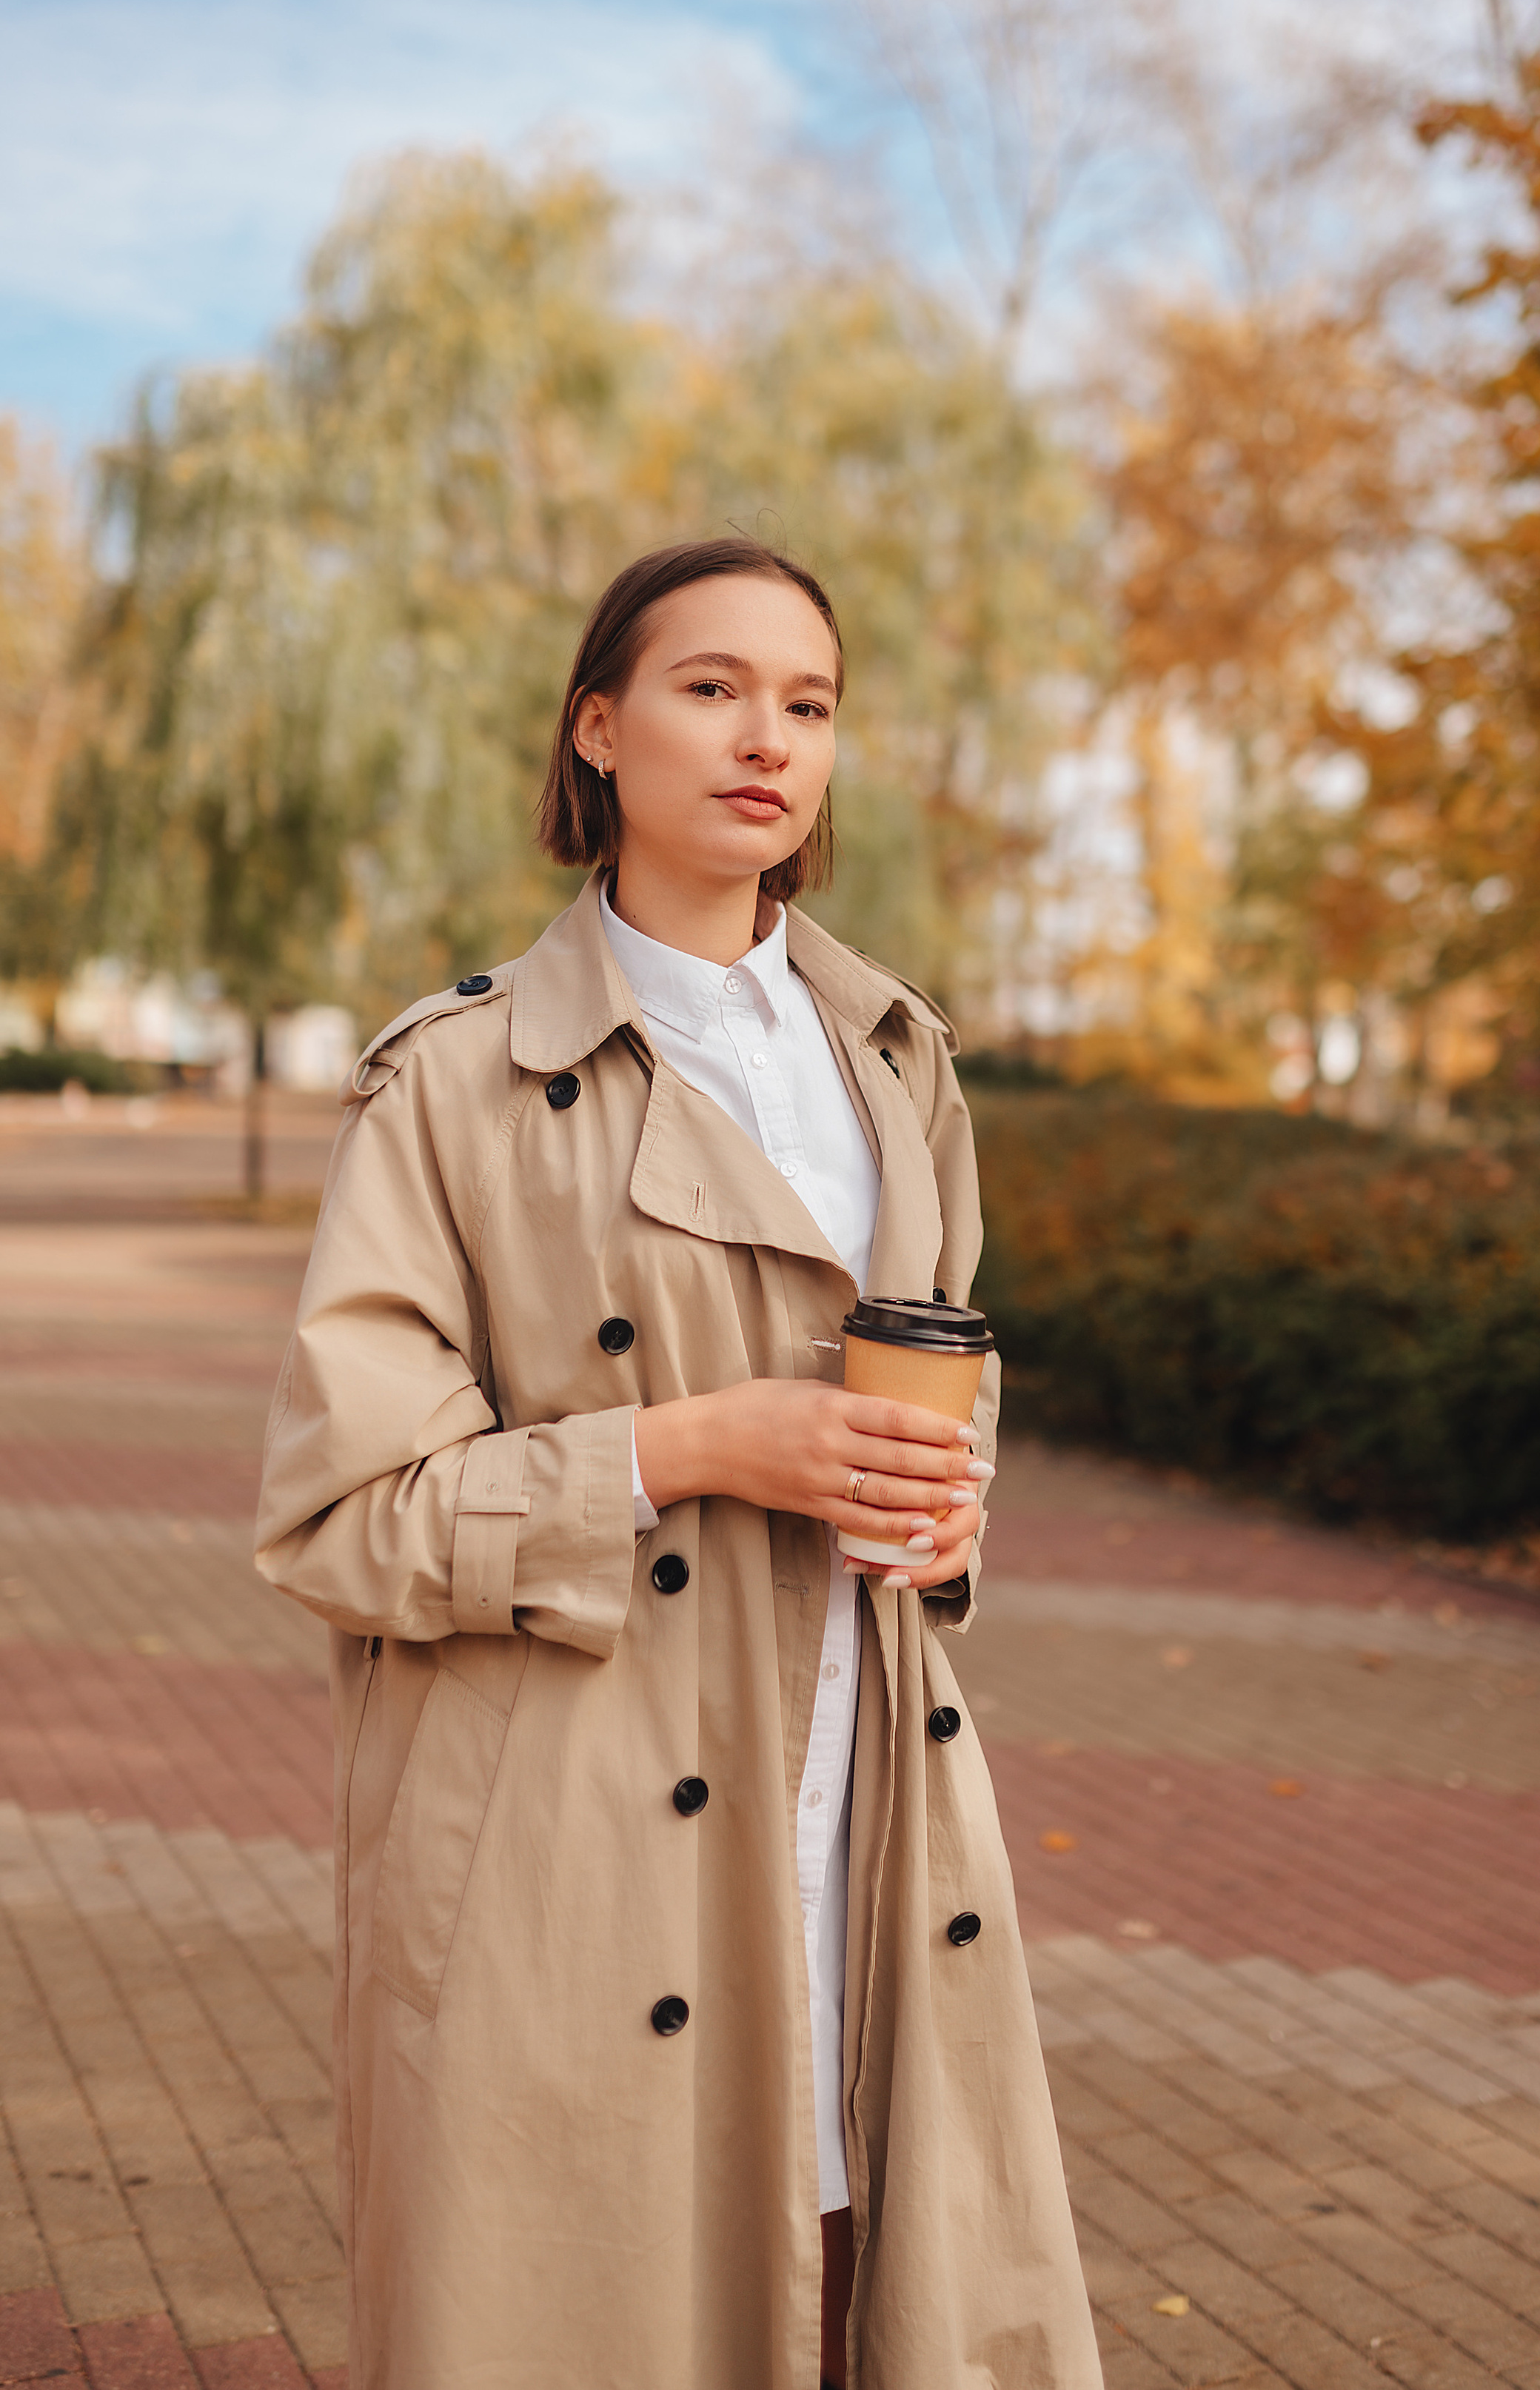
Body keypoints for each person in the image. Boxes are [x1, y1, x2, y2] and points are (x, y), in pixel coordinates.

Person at [255, 536, 1102, 2389]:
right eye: (710, 686)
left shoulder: (896, 1059)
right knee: (591, 2308)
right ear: (599, 727)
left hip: (861, 1799)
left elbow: (947, 1386)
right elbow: (342, 1518)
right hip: (566, 1819)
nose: (765, 738)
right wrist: (694, 1443)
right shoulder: (458, 1081)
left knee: (878, 2276)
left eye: (809, 704)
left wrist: (945, 1509)